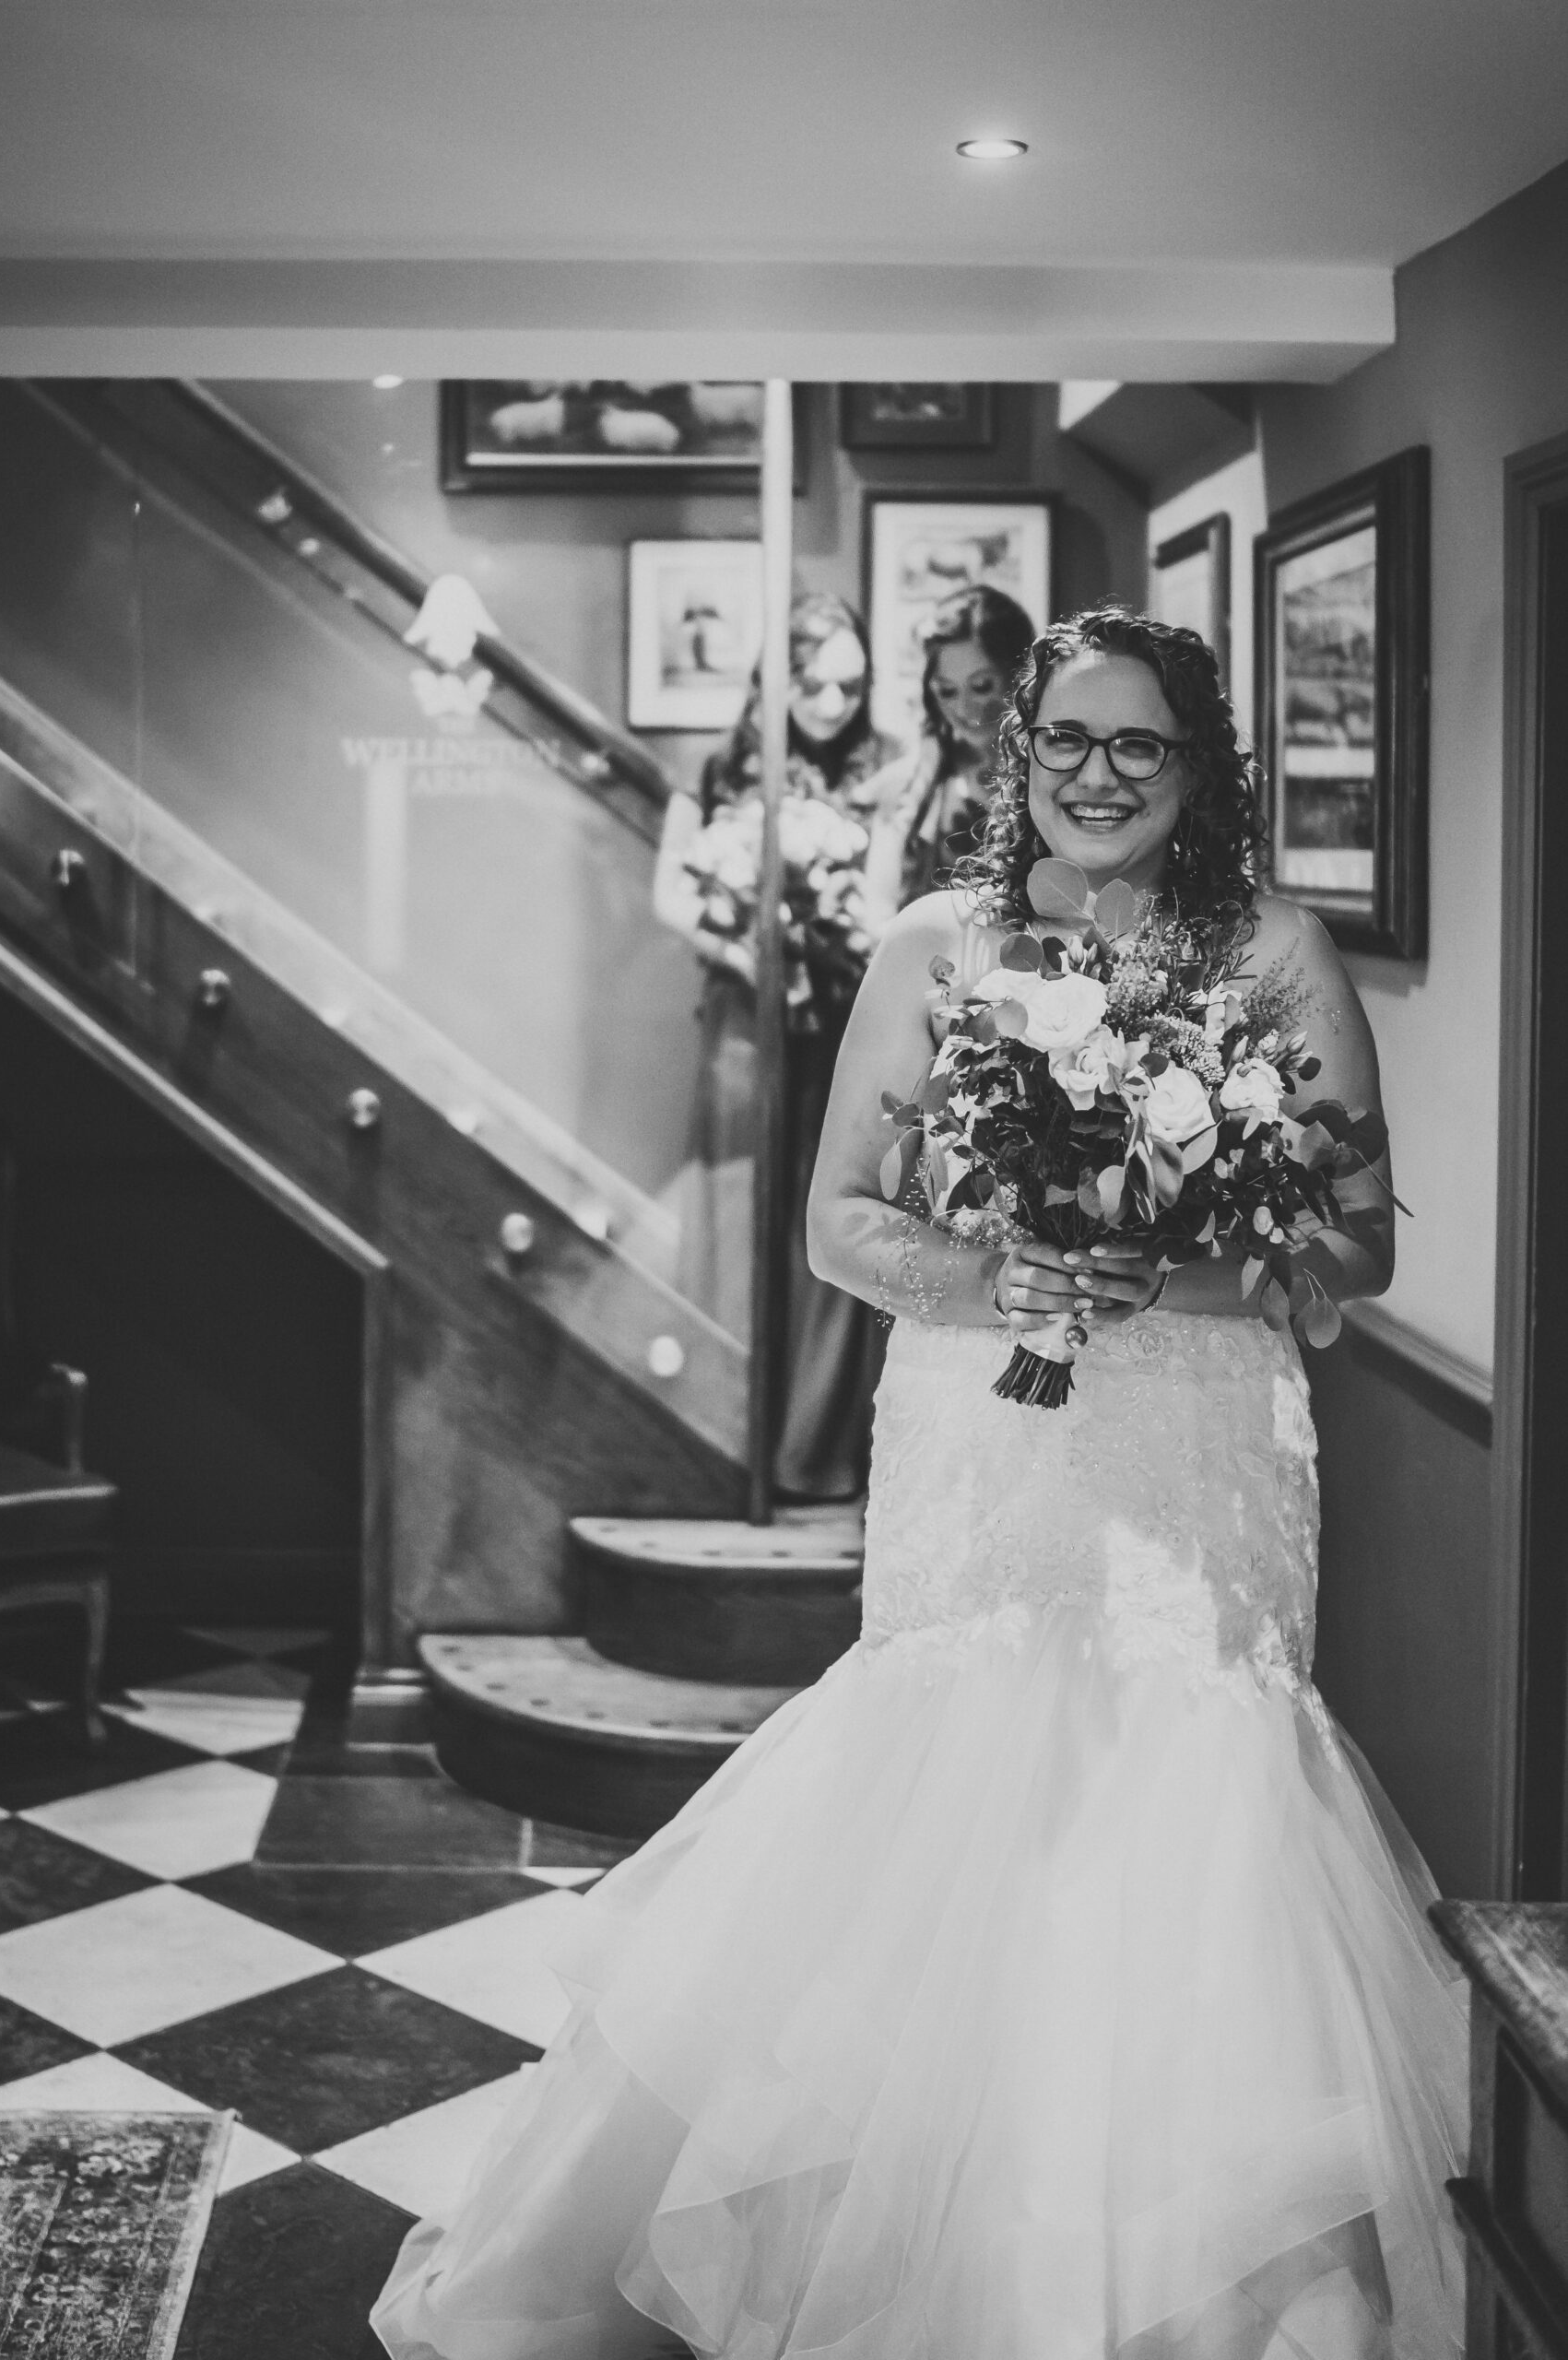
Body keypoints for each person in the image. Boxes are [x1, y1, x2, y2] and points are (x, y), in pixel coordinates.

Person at [372, 608, 1466, 2360]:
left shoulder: (1273, 950)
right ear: (1014, 754)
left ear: (1199, 769)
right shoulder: (934, 943)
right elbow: (838, 1224)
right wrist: (998, 1275)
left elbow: (1352, 1242)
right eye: (1064, 739)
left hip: (1198, 1450)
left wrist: (1171, 1271)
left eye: (1138, 743)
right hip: (985, 1429)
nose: (1095, 775)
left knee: (1187, 1781)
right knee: (952, 1773)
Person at [652, 589, 897, 1501]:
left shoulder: (882, 771)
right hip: (743, 1016)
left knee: (830, 1209)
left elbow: (881, 906)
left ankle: (809, 1448)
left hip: (840, 1013)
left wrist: (827, 936)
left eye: (850, 686)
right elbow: (671, 894)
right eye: (813, 684)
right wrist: (746, 953)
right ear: (773, 681)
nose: (832, 704)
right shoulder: (719, 770)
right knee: (735, 1205)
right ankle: (722, 1432)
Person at [860, 582, 1035, 929]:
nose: (965, 708)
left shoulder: (1053, 774)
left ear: (1020, 676)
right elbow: (878, 913)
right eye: (947, 691)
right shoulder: (914, 782)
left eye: (982, 686)